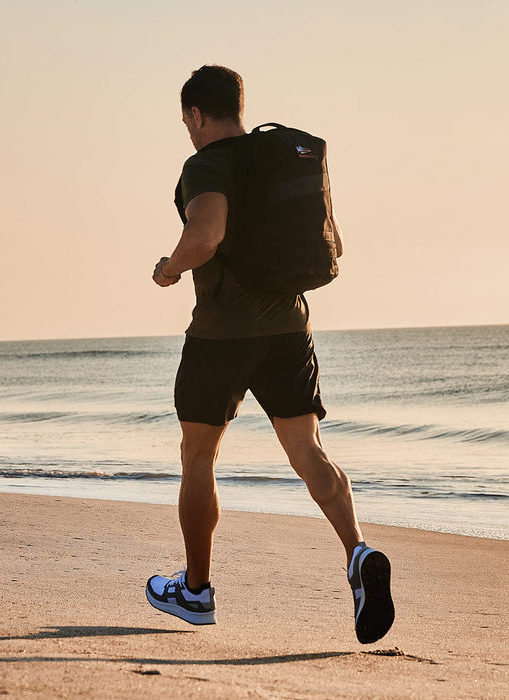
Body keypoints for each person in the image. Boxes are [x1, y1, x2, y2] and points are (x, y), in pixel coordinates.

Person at [146, 64, 394, 644]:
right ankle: (358, 554)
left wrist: (169, 268)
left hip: (220, 337)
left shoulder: (206, 164)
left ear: (197, 115)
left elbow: (205, 234)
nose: (188, 130)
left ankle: (197, 592)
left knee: (198, 456)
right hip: (288, 329)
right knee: (308, 451)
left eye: (188, 121)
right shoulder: (281, 156)